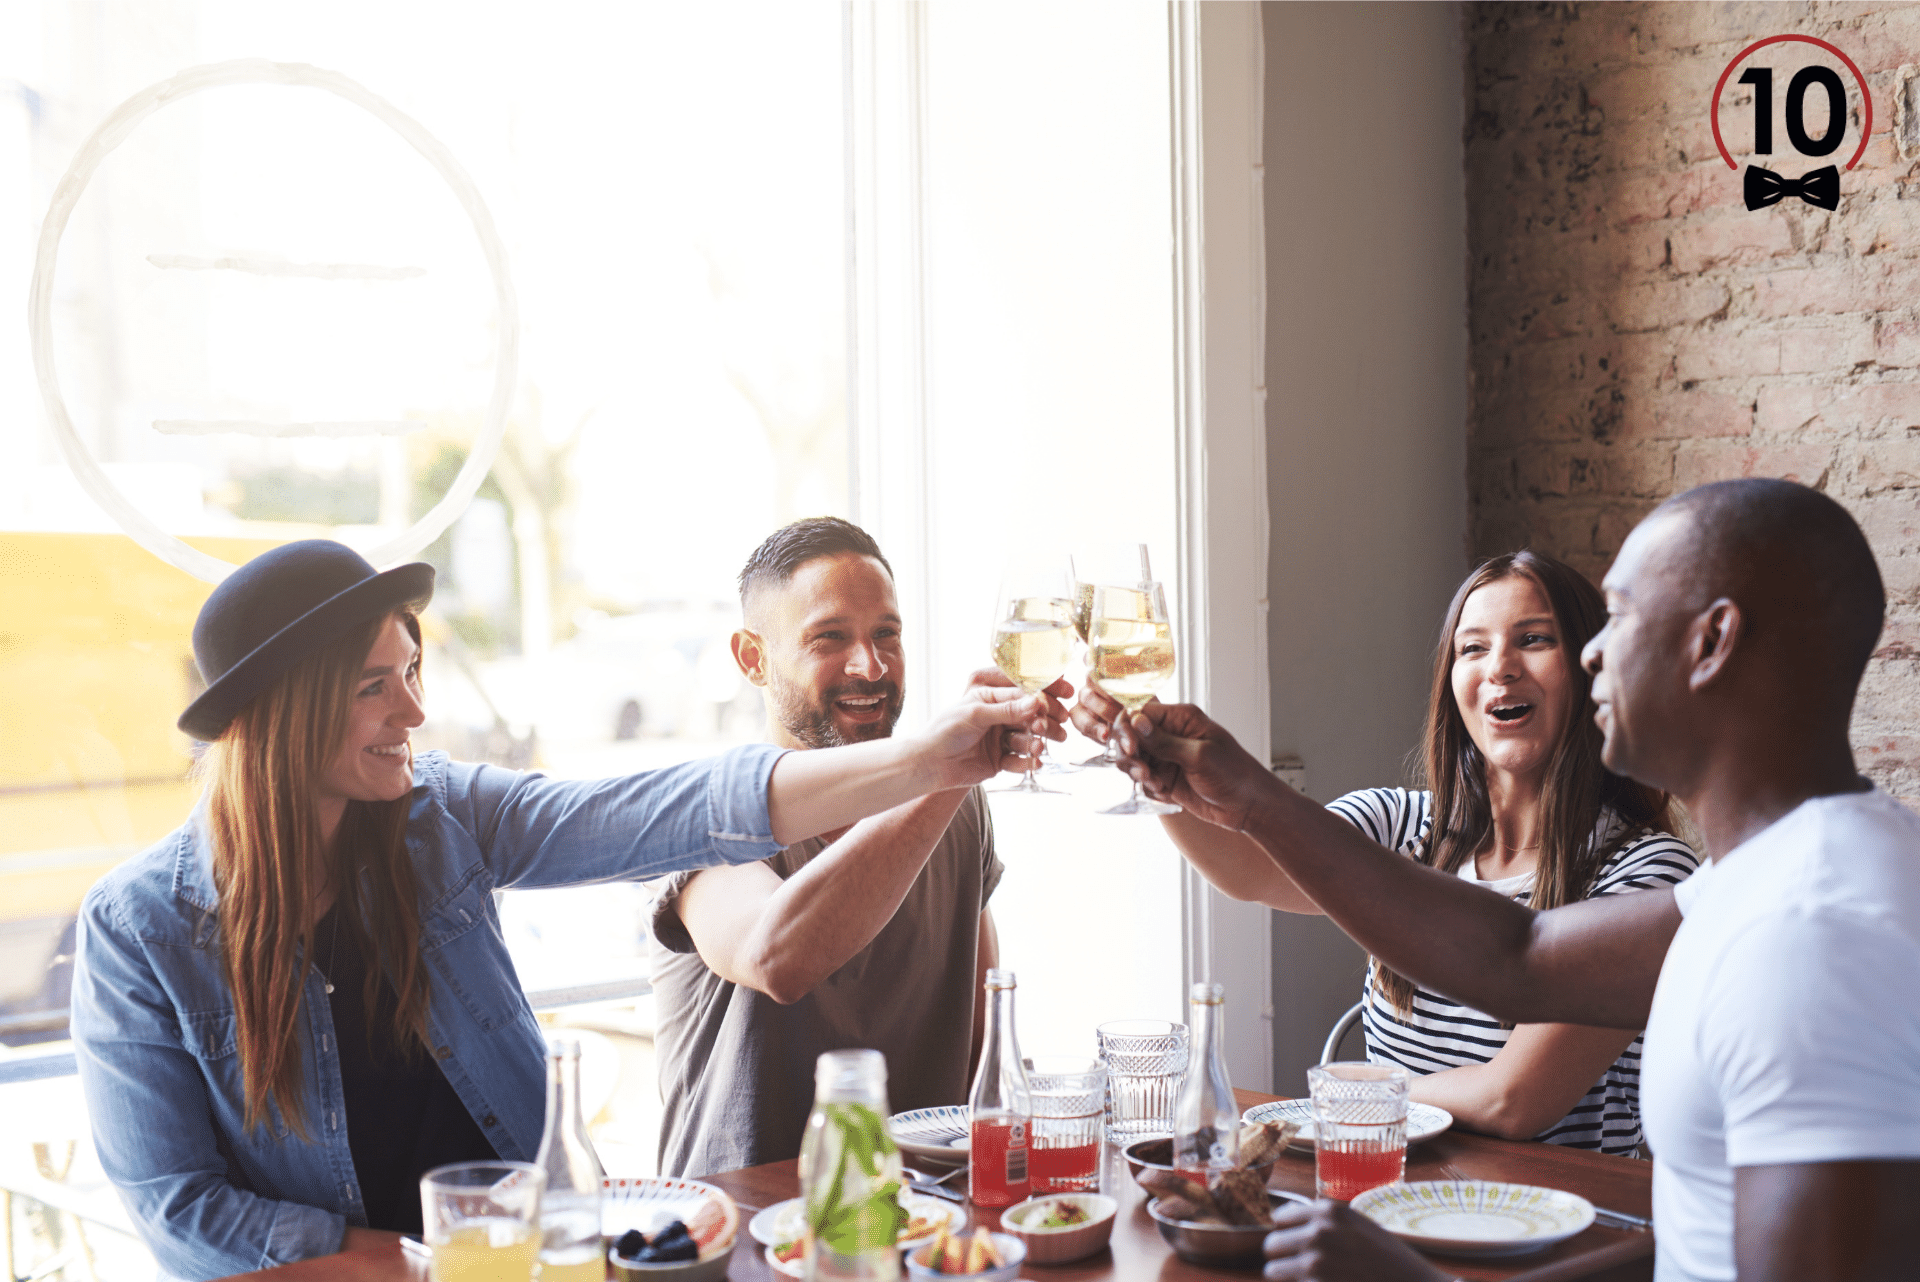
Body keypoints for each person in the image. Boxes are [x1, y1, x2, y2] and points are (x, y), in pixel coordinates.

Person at [68, 539, 1055, 1282]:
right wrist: (427, 1260)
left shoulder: (440, 817)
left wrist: (932, 760)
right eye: (376, 687)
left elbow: (665, 813)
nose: (413, 712)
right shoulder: (138, 930)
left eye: (413, 672)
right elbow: (180, 1210)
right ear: (278, 720)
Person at [1085, 481, 1920, 1282]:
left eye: (1618, 616)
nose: (1593, 651)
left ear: (1711, 642)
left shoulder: (1814, 933)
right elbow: (1515, 956)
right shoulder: (1762, 883)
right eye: (1475, 646)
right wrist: (1246, 796)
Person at [1081, 550, 1697, 1155]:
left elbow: (1516, 1099)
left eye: (1534, 639)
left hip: (1558, 1223)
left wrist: (1356, 1095)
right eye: (1473, 647)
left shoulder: (1648, 874)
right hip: (1388, 1198)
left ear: (1591, 664)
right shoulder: (1403, 824)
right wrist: (1157, 777)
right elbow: (1250, 870)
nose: (1500, 668)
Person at [648, 518, 1057, 1175]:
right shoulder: (701, 811)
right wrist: (946, 775)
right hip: (745, 1237)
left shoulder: (957, 809)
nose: (869, 666)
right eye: (829, 638)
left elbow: (989, 1046)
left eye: (886, 635)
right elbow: (778, 957)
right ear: (752, 658)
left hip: (929, 1228)